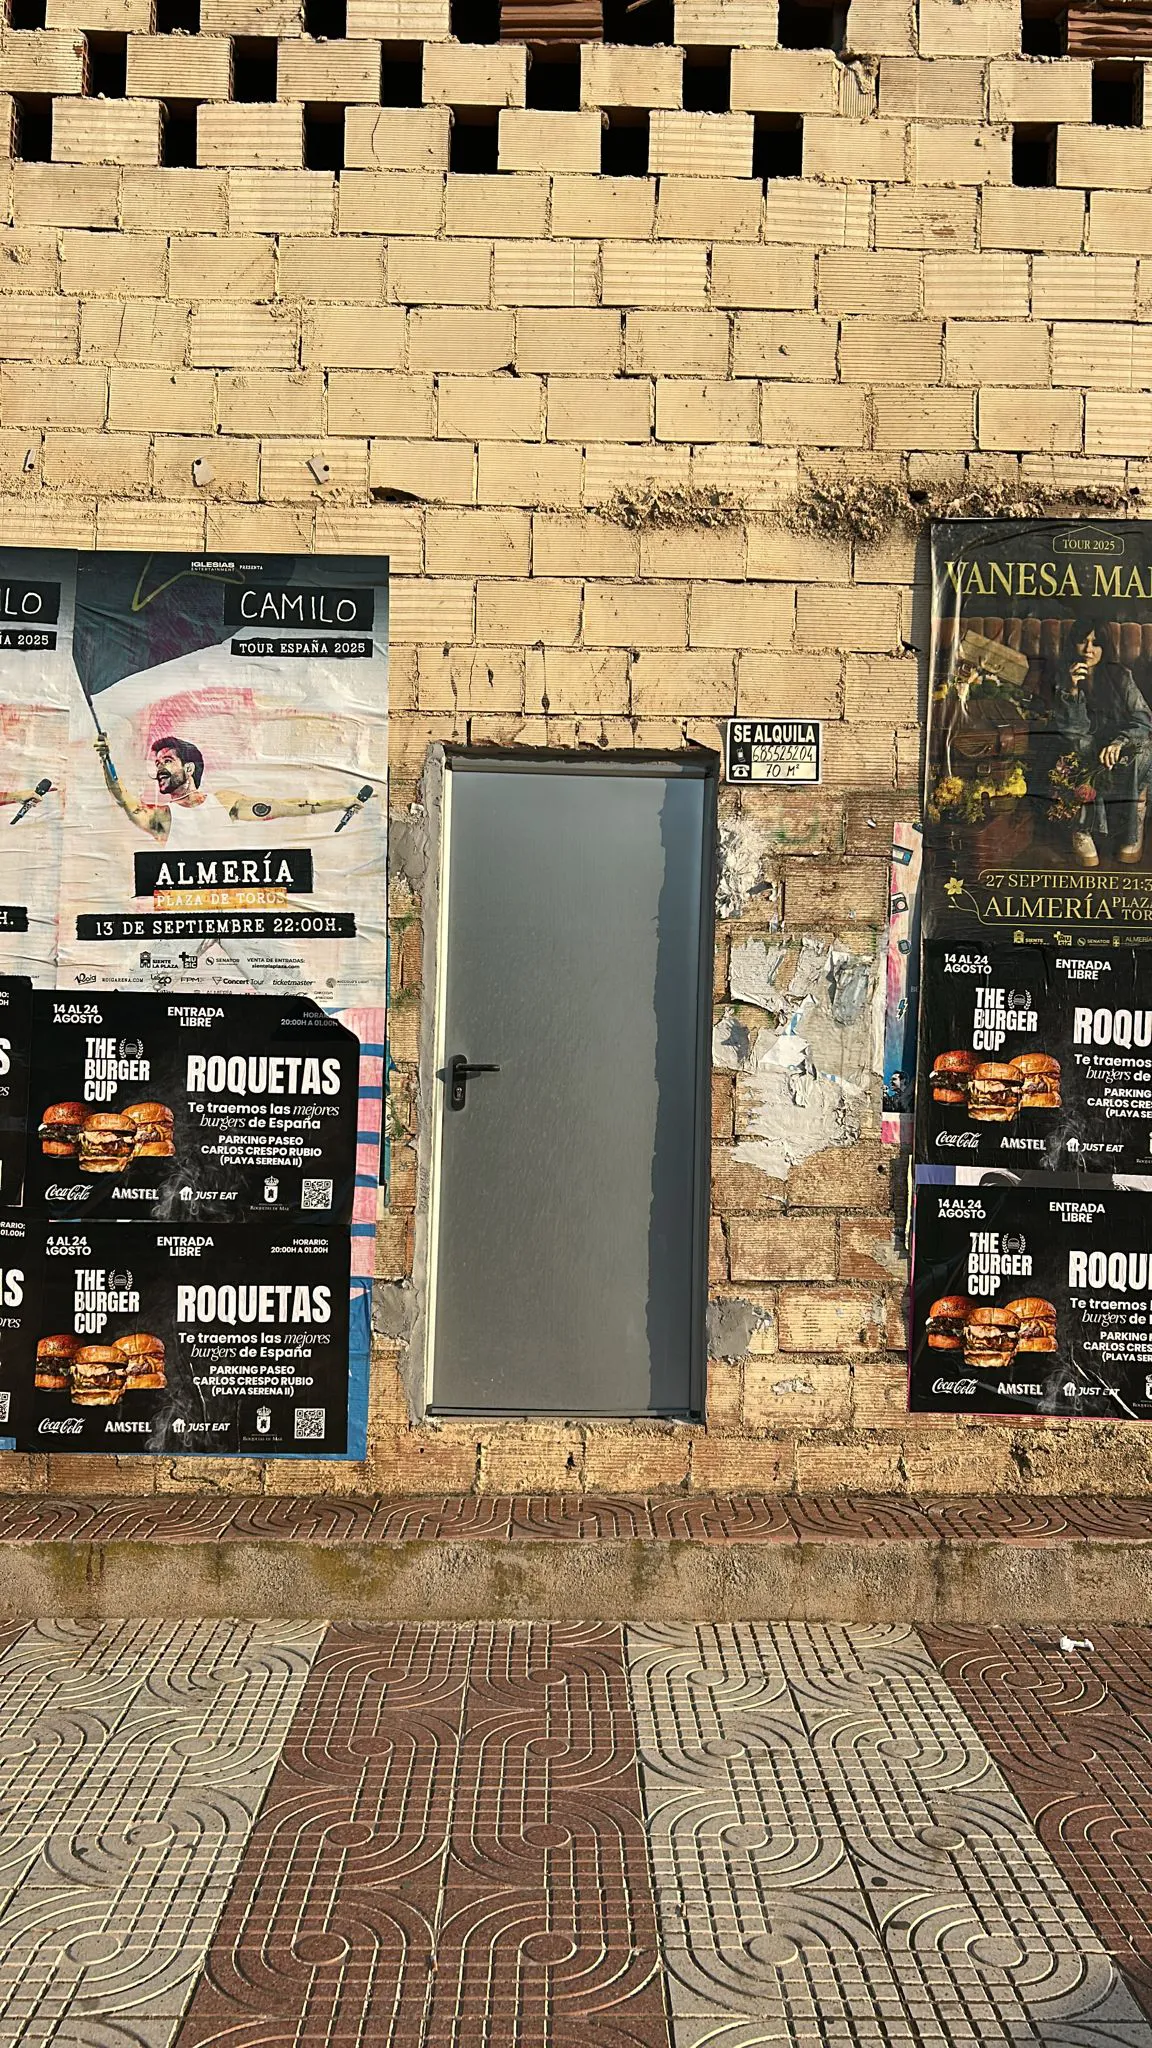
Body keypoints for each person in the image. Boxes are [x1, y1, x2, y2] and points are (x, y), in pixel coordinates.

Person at [94, 732, 373, 846]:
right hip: (184, 911)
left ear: (189, 768)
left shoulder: (224, 802)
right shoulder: (161, 818)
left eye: (167, 761)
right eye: (157, 763)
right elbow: (123, 797)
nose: (159, 769)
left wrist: (341, 802)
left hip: (234, 909)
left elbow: (284, 806)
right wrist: (106, 760)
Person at [1046, 618, 1152, 867]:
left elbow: (1144, 719)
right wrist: (1072, 690)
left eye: (1096, 643)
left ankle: (1133, 831)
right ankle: (1082, 827)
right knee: (1078, 748)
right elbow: (1073, 732)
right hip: (1086, 745)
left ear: (1106, 648)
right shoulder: (1062, 677)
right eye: (1082, 641)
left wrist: (1119, 742)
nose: (1088, 649)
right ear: (1073, 644)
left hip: (1121, 745)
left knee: (1143, 751)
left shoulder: (1121, 676)